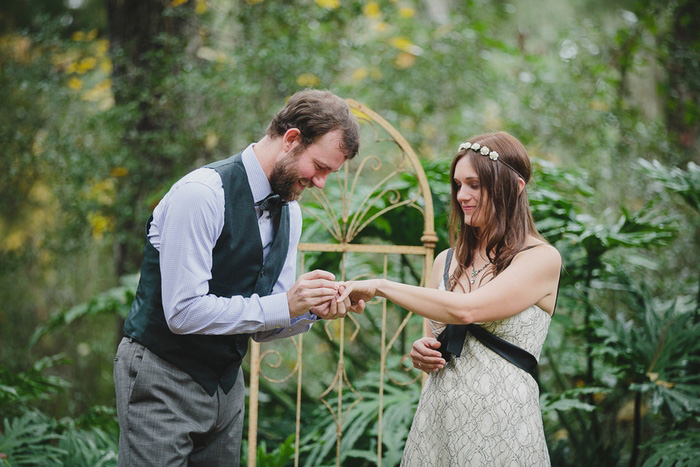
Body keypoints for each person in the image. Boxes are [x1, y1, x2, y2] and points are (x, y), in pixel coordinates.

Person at [114, 89, 360, 466]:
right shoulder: (201, 194)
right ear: (292, 139)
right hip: (161, 376)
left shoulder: (291, 214)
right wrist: (285, 304)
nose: (322, 183)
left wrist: (312, 310)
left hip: (226, 388)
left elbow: (263, 324)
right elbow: (182, 312)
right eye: (321, 167)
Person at [338, 131, 561, 466]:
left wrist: (381, 286)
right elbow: (433, 339)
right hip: (438, 422)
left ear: (513, 187)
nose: (462, 196)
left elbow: (466, 310)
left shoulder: (540, 259)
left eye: (474, 184)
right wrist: (421, 351)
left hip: (503, 426)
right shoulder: (445, 261)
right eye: (458, 185)